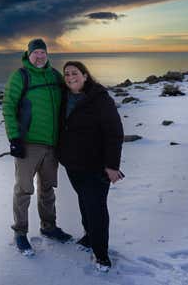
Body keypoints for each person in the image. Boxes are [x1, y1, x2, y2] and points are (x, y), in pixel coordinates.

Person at [2, 38, 71, 255]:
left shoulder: (55, 76)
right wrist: (14, 139)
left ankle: (49, 227)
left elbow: (68, 101)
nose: (39, 56)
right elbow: (8, 107)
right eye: (35, 53)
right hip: (29, 144)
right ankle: (20, 233)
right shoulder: (20, 76)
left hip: (52, 144)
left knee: (47, 188)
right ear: (28, 55)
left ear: (47, 54)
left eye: (43, 52)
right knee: (24, 190)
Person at [58, 61, 124, 272]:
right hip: (73, 164)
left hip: (96, 166)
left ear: (85, 75)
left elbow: (114, 133)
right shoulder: (64, 97)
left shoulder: (100, 99)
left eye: (75, 73)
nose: (70, 77)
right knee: (84, 202)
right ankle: (89, 237)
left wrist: (112, 166)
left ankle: (101, 255)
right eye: (66, 74)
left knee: (96, 208)